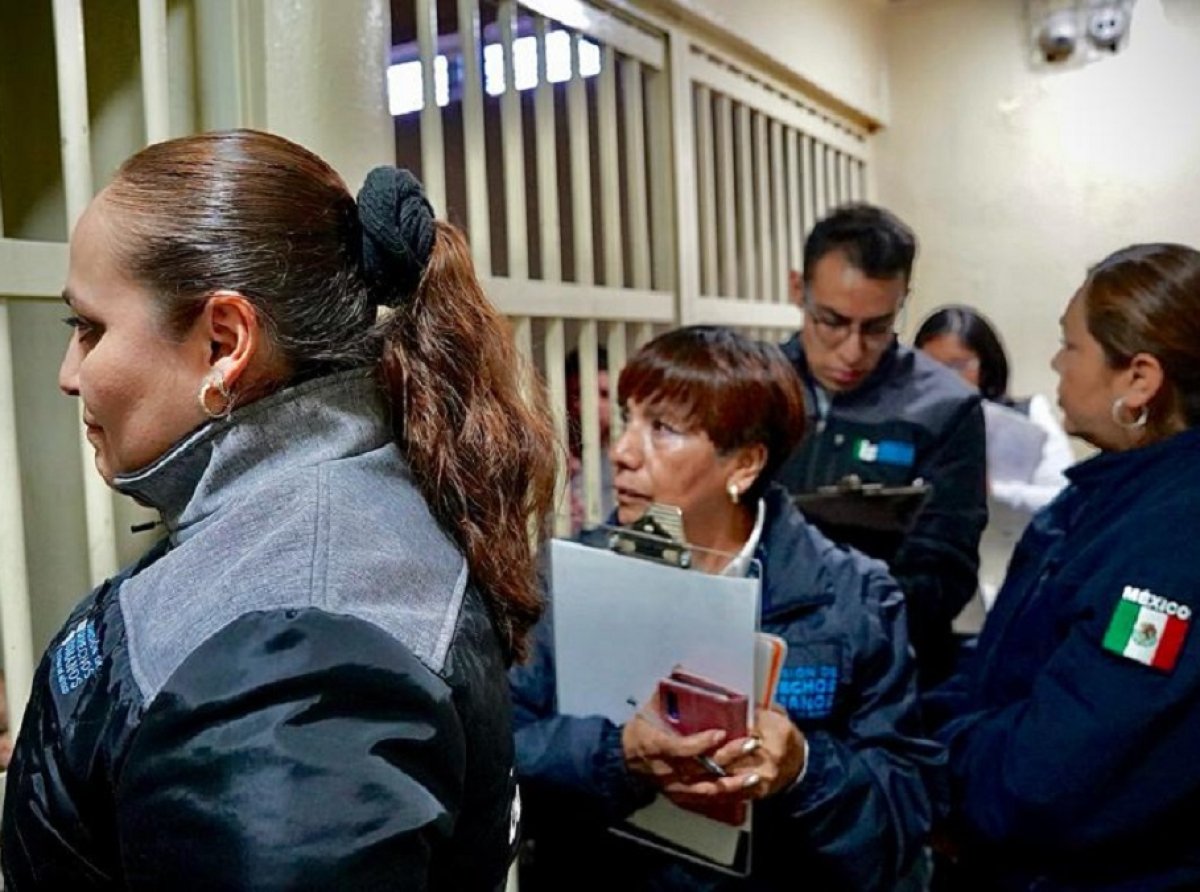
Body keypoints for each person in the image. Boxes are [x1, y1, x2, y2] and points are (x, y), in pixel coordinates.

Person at [1, 130, 557, 891]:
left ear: (224, 342)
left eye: (89, 328)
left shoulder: (303, 662)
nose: (70, 375)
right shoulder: (307, 507)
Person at [511, 326, 939, 891]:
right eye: (628, 417)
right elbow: (501, 751)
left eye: (662, 429)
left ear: (744, 464)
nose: (622, 451)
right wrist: (616, 754)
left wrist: (803, 768)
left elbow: (901, 813)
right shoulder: (565, 578)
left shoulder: (852, 598)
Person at [928, 244, 1200, 891]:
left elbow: (1052, 772)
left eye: (1070, 346)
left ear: (1138, 379)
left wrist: (932, 761)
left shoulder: (1169, 546)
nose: (1055, 362)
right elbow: (1008, 670)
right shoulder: (1101, 496)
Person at [775, 204, 988, 687]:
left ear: (902, 301)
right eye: (831, 321)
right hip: (758, 652)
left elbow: (946, 574)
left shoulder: (945, 407)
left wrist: (841, 622)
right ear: (796, 290)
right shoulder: (757, 389)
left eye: (876, 327)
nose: (852, 351)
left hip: (885, 671)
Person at [915, 306, 1074, 615]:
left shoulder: (1027, 416)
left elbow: (1062, 500)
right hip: (937, 589)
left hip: (1010, 585)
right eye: (928, 366)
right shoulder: (910, 423)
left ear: (985, 365)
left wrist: (995, 488)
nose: (942, 379)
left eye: (957, 366)